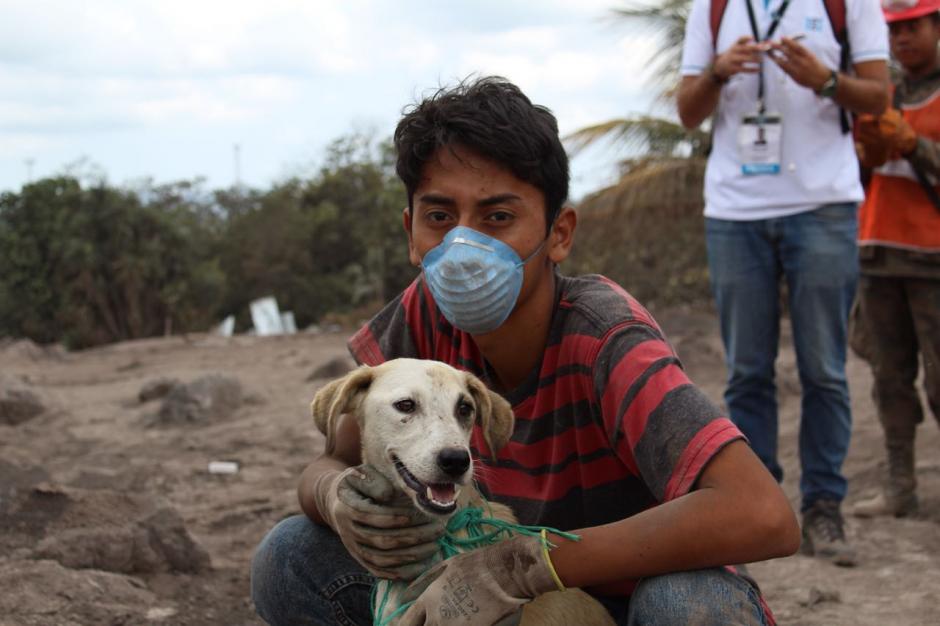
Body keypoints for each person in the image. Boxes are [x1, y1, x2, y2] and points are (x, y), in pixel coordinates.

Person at [250, 76, 800, 626]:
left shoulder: (605, 338)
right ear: (412, 234)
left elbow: (762, 514)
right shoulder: (421, 317)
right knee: (291, 555)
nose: (464, 246)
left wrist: (525, 562)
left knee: (689, 607)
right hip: (486, 597)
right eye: (440, 217)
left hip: (634, 597)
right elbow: (332, 458)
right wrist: (335, 498)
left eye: (497, 217)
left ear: (559, 233)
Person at [677, 0, 890, 567]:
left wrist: (822, 79)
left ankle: (824, 506)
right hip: (735, 210)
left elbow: (878, 96)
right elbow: (686, 111)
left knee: (824, 368)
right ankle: (756, 508)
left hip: (823, 204)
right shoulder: (714, 7)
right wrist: (719, 72)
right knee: (747, 371)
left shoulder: (851, 5)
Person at [850, 0, 940, 519]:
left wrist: (913, 145)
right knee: (889, 377)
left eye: (912, 26)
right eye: (895, 29)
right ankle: (900, 486)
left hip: (932, 258)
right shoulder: (886, 94)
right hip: (880, 251)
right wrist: (868, 155)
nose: (902, 38)